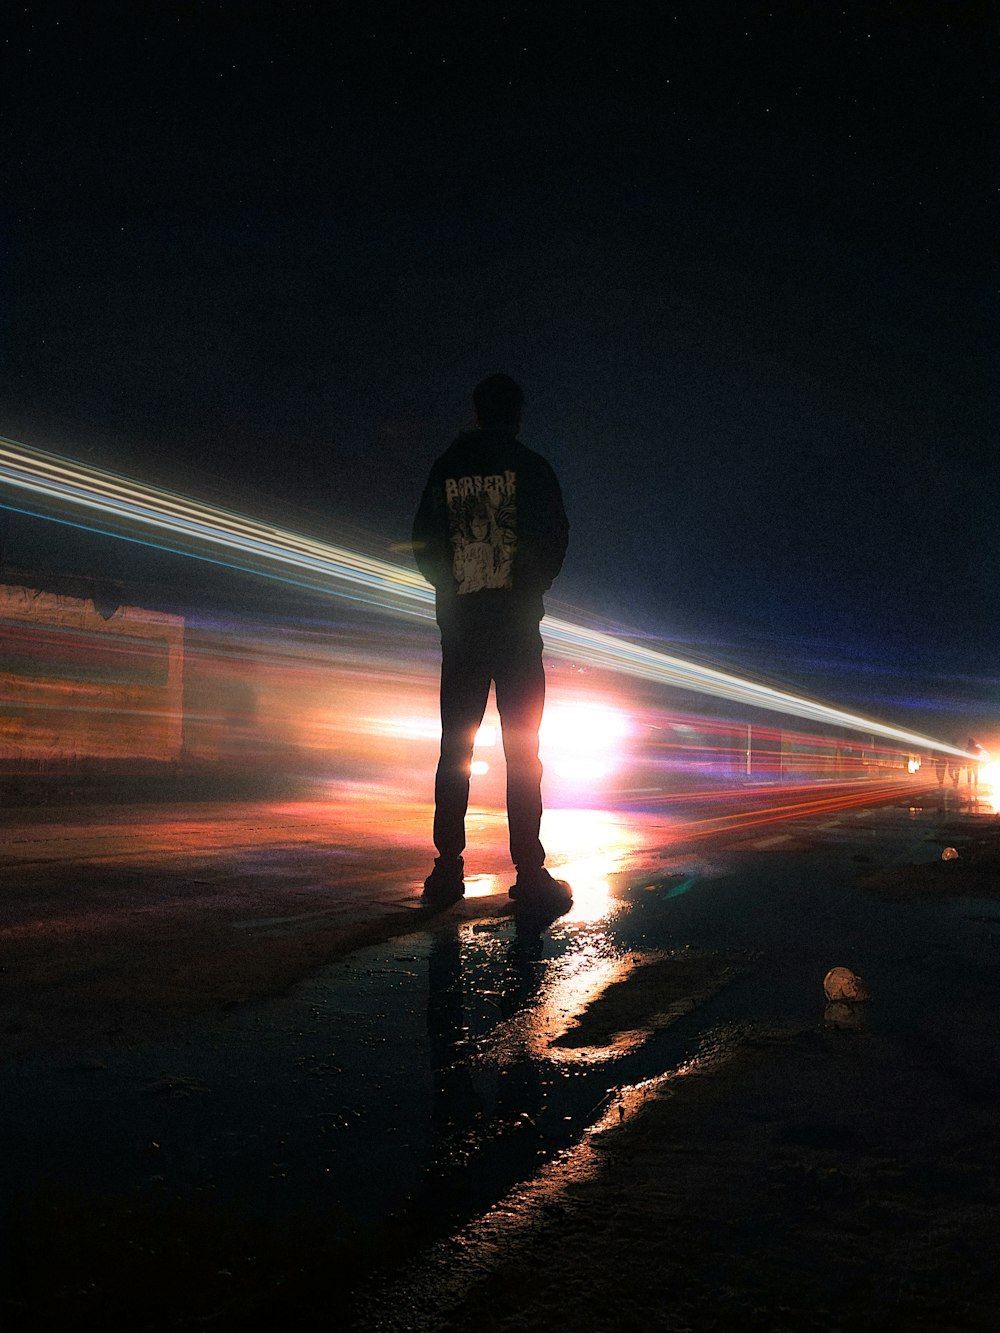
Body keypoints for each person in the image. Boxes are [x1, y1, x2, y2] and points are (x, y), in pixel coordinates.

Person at [412, 374, 570, 909]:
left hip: (461, 632)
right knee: (523, 752)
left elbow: (423, 543)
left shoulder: (446, 467)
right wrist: (527, 588)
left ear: (477, 412)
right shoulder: (534, 469)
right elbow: (555, 540)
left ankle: (446, 872)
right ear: (518, 414)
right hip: (517, 632)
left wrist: (456, 591)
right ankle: (529, 873)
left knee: (455, 749)